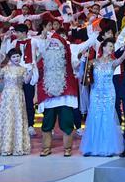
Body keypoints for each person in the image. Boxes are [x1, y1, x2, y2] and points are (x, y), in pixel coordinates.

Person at [34, 27, 100, 157]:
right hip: (49, 96)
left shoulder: (70, 51)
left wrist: (93, 34)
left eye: (56, 45)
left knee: (67, 123)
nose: (53, 48)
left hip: (65, 96)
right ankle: (46, 147)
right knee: (47, 124)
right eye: (51, 45)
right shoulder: (43, 56)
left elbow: (85, 44)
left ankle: (67, 148)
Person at [80, 37, 125, 157]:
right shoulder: (94, 62)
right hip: (96, 92)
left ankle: (108, 147)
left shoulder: (113, 62)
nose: (111, 48)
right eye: (109, 46)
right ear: (103, 47)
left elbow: (122, 59)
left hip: (109, 93)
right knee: (94, 117)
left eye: (112, 46)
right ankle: (91, 148)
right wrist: (83, 58)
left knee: (107, 117)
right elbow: (84, 74)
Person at [0, 49, 33, 156]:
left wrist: (31, 72)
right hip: (6, 96)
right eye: (14, 56)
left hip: (18, 96)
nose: (17, 58)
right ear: (10, 58)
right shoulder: (5, 69)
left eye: (18, 56)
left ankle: (18, 147)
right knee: (6, 119)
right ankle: (5, 147)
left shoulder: (23, 69)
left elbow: (26, 81)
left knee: (18, 119)